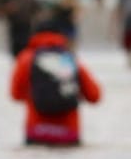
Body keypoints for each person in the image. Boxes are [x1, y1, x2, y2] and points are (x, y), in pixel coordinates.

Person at [10, 14, 102, 146]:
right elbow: (95, 96)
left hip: (37, 132)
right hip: (69, 134)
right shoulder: (70, 59)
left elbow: (15, 95)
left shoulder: (25, 59)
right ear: (61, 36)